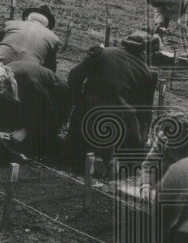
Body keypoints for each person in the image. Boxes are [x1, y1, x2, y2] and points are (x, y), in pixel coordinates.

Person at [65, 30, 160, 173]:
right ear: (145, 51)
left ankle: (86, 161)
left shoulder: (103, 53)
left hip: (87, 116)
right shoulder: (146, 72)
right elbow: (144, 112)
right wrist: (141, 141)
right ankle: (109, 163)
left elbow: (74, 75)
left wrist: (78, 99)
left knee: (74, 160)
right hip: (119, 127)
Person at [0, 60, 70, 160]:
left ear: (3, 85)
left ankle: (58, 140)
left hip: (57, 100)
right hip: (34, 100)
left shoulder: (30, 83)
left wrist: (26, 131)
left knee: (37, 143)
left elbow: (46, 111)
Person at [135, 111, 188, 203]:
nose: (167, 142)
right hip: (165, 181)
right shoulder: (163, 136)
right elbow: (149, 165)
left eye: (174, 141)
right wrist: (145, 185)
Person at [0, 3, 60, 71]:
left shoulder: (11, 24)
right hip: (29, 71)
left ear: (27, 17)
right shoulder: (53, 38)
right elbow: (51, 67)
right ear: (47, 25)